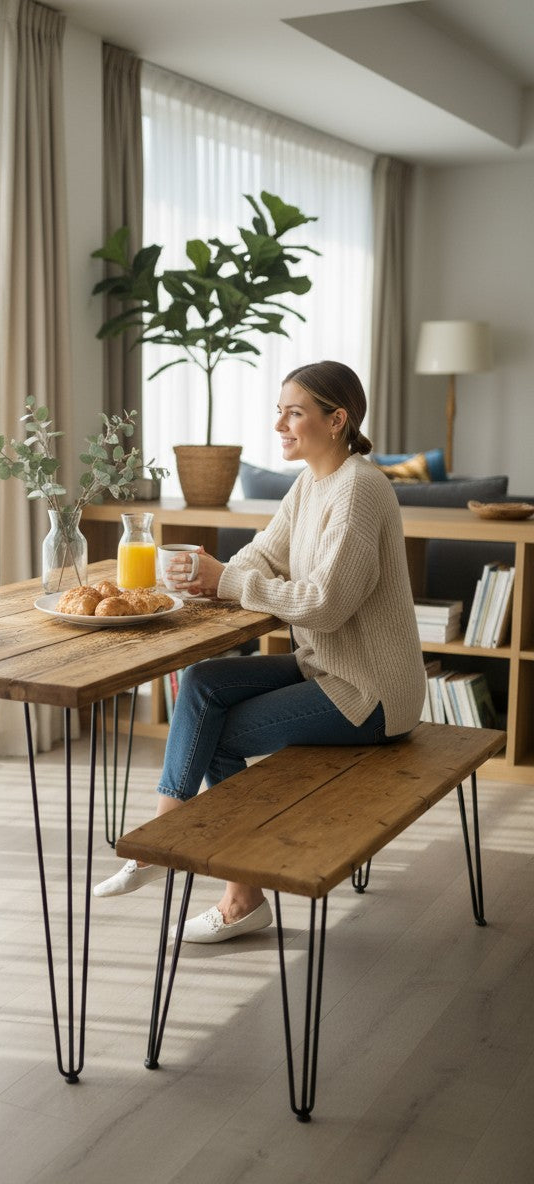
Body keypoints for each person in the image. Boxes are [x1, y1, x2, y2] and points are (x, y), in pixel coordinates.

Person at [93, 360, 426, 942]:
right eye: (280, 410)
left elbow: (325, 604)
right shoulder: (312, 484)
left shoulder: (362, 489)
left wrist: (226, 579)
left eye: (294, 412)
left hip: (371, 694)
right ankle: (202, 869)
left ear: (337, 419)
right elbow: (261, 554)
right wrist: (217, 573)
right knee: (202, 682)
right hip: (324, 668)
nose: (280, 424)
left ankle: (183, 861)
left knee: (211, 728)